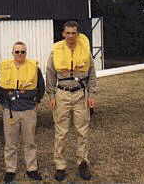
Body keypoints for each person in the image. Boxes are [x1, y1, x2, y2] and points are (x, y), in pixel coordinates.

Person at [46, 21, 98, 181]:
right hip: (62, 94)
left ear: (78, 34)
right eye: (67, 33)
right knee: (61, 132)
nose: (70, 36)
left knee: (82, 131)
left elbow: (92, 74)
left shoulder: (85, 51)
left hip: (80, 95)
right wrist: (52, 96)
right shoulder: (56, 51)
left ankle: (82, 163)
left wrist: (91, 95)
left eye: (73, 33)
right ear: (63, 34)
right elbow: (50, 74)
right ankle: (60, 166)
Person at [0, 41, 45, 183]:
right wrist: (4, 103)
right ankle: (10, 170)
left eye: (22, 52)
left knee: (30, 142)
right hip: (10, 110)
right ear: (12, 53)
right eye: (17, 52)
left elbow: (41, 87)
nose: (20, 54)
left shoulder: (34, 68)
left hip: (28, 110)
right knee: (10, 143)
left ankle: (32, 168)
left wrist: (36, 102)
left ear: (26, 53)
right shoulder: (4, 68)